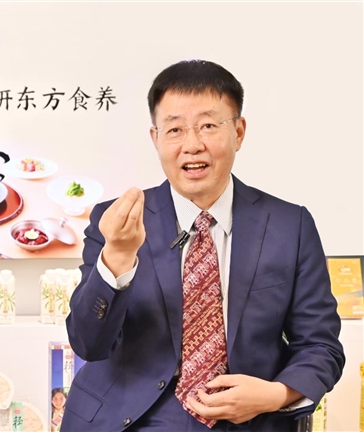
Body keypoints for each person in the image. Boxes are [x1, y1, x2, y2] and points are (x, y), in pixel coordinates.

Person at [61, 60, 345, 432]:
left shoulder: (290, 225)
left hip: (249, 420)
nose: (192, 145)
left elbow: (321, 344)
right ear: (156, 139)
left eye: (209, 126)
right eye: (175, 129)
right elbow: (89, 344)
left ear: (239, 132)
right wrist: (118, 255)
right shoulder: (117, 221)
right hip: (130, 421)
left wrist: (276, 394)